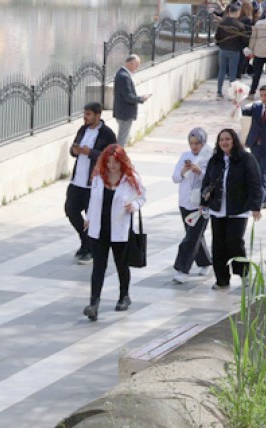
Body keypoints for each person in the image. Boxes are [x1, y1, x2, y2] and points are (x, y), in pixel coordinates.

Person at [82, 145, 147, 321]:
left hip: (119, 228)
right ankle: (93, 304)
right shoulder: (98, 177)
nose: (112, 166)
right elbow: (93, 200)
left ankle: (124, 296)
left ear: (122, 161)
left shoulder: (130, 178)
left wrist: (133, 206)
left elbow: (143, 196)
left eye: (115, 162)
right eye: (108, 162)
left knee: (121, 264)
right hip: (99, 229)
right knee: (98, 267)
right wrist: (88, 217)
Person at [201, 129, 262, 290]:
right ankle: (221, 279)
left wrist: (256, 206)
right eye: (221, 140)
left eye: (227, 139)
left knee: (234, 242)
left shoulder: (246, 159)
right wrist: (203, 201)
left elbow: (255, 183)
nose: (224, 142)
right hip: (217, 209)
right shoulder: (215, 160)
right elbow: (207, 181)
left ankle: (243, 273)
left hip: (238, 209)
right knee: (218, 245)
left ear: (234, 140)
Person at [65, 102, 117, 264]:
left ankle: (90, 248)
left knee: (92, 217)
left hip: (93, 183)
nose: (85, 117)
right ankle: (85, 241)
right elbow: (74, 149)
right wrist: (74, 150)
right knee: (71, 210)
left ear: (97, 115)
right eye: (84, 114)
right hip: (77, 181)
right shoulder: (82, 130)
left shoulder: (107, 134)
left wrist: (91, 153)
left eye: (88, 114)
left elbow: (112, 157)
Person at [170, 128, 213, 284]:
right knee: (194, 234)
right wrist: (183, 171)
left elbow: (212, 178)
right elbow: (175, 178)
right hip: (184, 202)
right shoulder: (185, 156)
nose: (194, 147)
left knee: (191, 237)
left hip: (201, 204)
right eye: (191, 143)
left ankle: (182, 269)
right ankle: (205, 261)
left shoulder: (209, 157)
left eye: (197, 143)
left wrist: (199, 171)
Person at [112, 55, 151, 147]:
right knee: (122, 140)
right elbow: (128, 97)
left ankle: (118, 157)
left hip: (123, 112)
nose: (137, 67)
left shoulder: (122, 74)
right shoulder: (124, 76)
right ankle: (118, 158)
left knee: (122, 138)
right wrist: (141, 98)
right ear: (130, 63)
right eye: (136, 64)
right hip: (125, 113)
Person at [215, 3, 248, 98]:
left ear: (229, 11)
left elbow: (217, 37)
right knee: (232, 72)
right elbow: (244, 40)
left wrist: (220, 44)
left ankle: (219, 91)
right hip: (235, 50)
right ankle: (232, 94)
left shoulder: (222, 23)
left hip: (223, 49)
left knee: (222, 70)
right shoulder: (240, 25)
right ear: (238, 12)